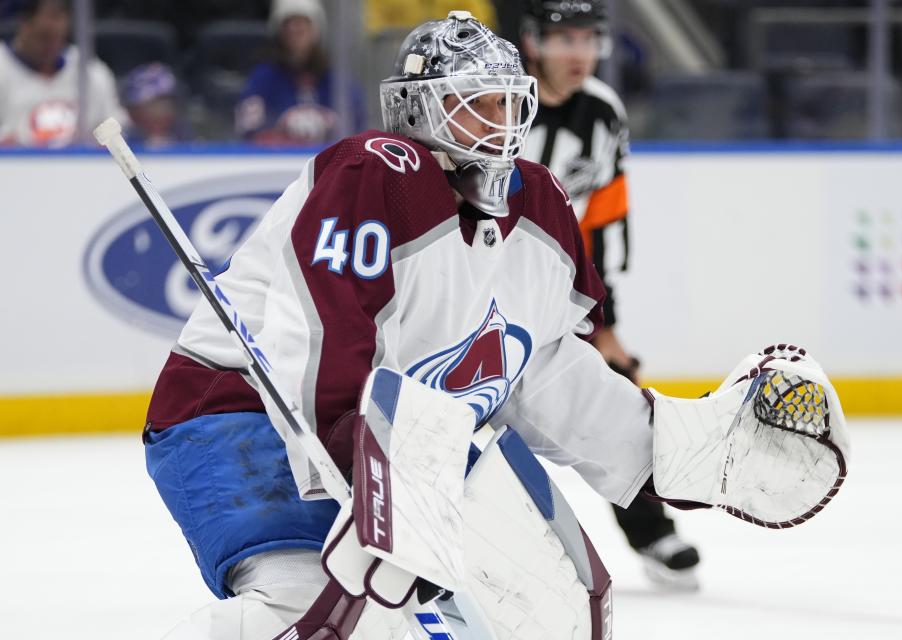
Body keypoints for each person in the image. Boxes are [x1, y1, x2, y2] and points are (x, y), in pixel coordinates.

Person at [137, 11, 850, 640]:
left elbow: (542, 372)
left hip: (400, 452)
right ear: (416, 111)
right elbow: (320, 335)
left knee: (543, 613)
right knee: (307, 611)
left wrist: (676, 453)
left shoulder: (537, 209)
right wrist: (369, 469)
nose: (499, 123)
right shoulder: (374, 173)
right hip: (240, 416)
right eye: (473, 105)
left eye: (507, 103)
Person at [516, 0, 702, 589]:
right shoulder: (495, 102)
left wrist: (605, 323)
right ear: (532, 42)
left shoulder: (602, 111)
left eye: (588, 39)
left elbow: (601, 221)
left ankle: (652, 531)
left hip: (556, 295)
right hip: (474, 287)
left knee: (616, 398)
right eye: (563, 38)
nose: (578, 53)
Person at [234, 0, 365, 145]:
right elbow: (249, 132)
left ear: (316, 29)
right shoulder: (263, 77)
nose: (295, 29)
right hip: (279, 163)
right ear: (279, 30)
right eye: (289, 23)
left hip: (330, 163)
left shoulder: (337, 81)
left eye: (303, 23)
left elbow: (358, 130)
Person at [0, 0, 127, 147]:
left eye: (58, 37)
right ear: (24, 24)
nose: (51, 46)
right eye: (44, 37)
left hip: (80, 167)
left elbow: (116, 131)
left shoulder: (89, 71)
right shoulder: (3, 67)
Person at [120, 62, 190, 147]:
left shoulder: (186, 138)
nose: (159, 114)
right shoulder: (122, 140)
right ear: (133, 112)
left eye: (165, 106)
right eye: (151, 107)